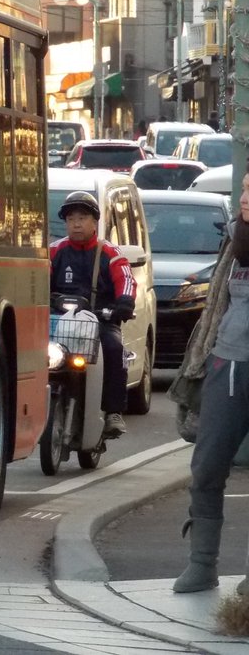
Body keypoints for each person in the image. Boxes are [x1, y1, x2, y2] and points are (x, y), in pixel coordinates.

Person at [173, 169, 249, 594]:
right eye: (244, 187)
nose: (244, 196)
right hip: (230, 362)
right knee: (206, 467)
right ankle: (202, 564)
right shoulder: (237, 236)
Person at [49, 190, 137, 438]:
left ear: (95, 221)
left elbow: (127, 281)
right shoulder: (54, 251)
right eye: (70, 219)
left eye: (82, 217)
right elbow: (35, 281)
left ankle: (113, 412)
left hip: (101, 321)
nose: (76, 224)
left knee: (114, 349)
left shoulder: (109, 252)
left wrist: (124, 303)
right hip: (59, 324)